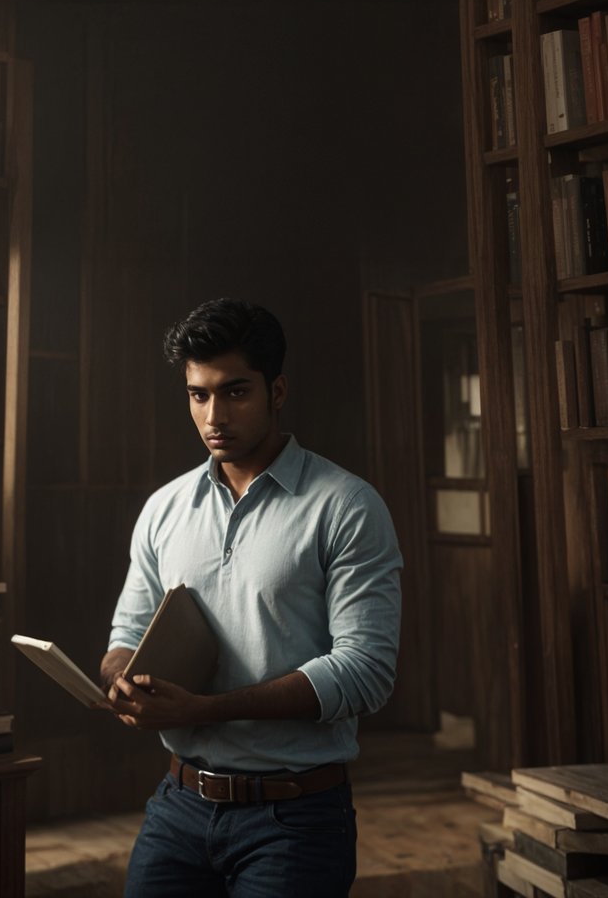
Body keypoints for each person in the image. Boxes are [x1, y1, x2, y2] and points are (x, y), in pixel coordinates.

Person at [99, 296, 402, 898]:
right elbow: (126, 636)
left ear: (278, 391)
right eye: (198, 394)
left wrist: (204, 709)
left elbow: (367, 672)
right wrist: (121, 683)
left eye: (235, 392)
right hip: (177, 807)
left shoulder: (346, 506)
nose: (215, 415)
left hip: (295, 819)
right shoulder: (163, 508)